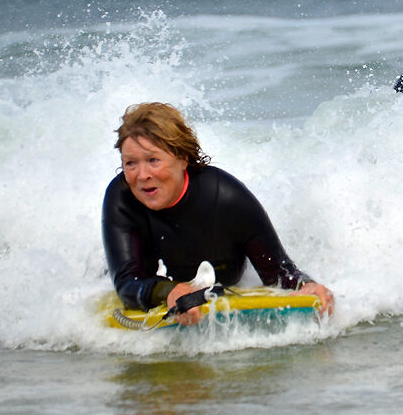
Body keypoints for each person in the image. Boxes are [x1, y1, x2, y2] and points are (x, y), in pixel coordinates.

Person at [102, 102, 334, 325]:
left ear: (182, 158)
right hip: (157, 285)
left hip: (224, 279)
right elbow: (127, 284)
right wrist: (170, 292)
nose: (142, 175)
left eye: (153, 160)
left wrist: (306, 286)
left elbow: (278, 273)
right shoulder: (121, 198)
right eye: (130, 163)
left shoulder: (226, 198)